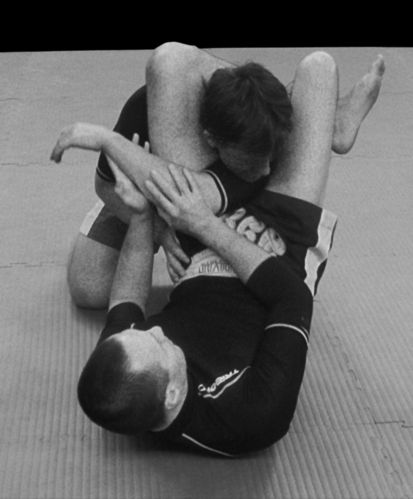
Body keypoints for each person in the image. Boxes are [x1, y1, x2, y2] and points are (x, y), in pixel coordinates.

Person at [52, 48, 385, 456]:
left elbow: (125, 302)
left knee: (170, 60)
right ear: (173, 394)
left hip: (200, 242)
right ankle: (314, 123)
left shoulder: (126, 369)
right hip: (278, 243)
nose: (153, 329)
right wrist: (205, 224)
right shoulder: (253, 416)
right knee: (319, 68)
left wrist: (141, 217)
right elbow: (293, 297)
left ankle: (262, 111)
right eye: (158, 342)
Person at [53, 43, 385, 309]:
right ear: (212, 140)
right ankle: (331, 126)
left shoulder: (261, 123)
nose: (265, 170)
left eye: (268, 158)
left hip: (214, 192)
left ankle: (331, 126)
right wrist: (156, 227)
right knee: (88, 288)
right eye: (252, 162)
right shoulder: (145, 112)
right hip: (158, 192)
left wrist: (104, 139)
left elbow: (200, 197)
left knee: (313, 77)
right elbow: (105, 185)